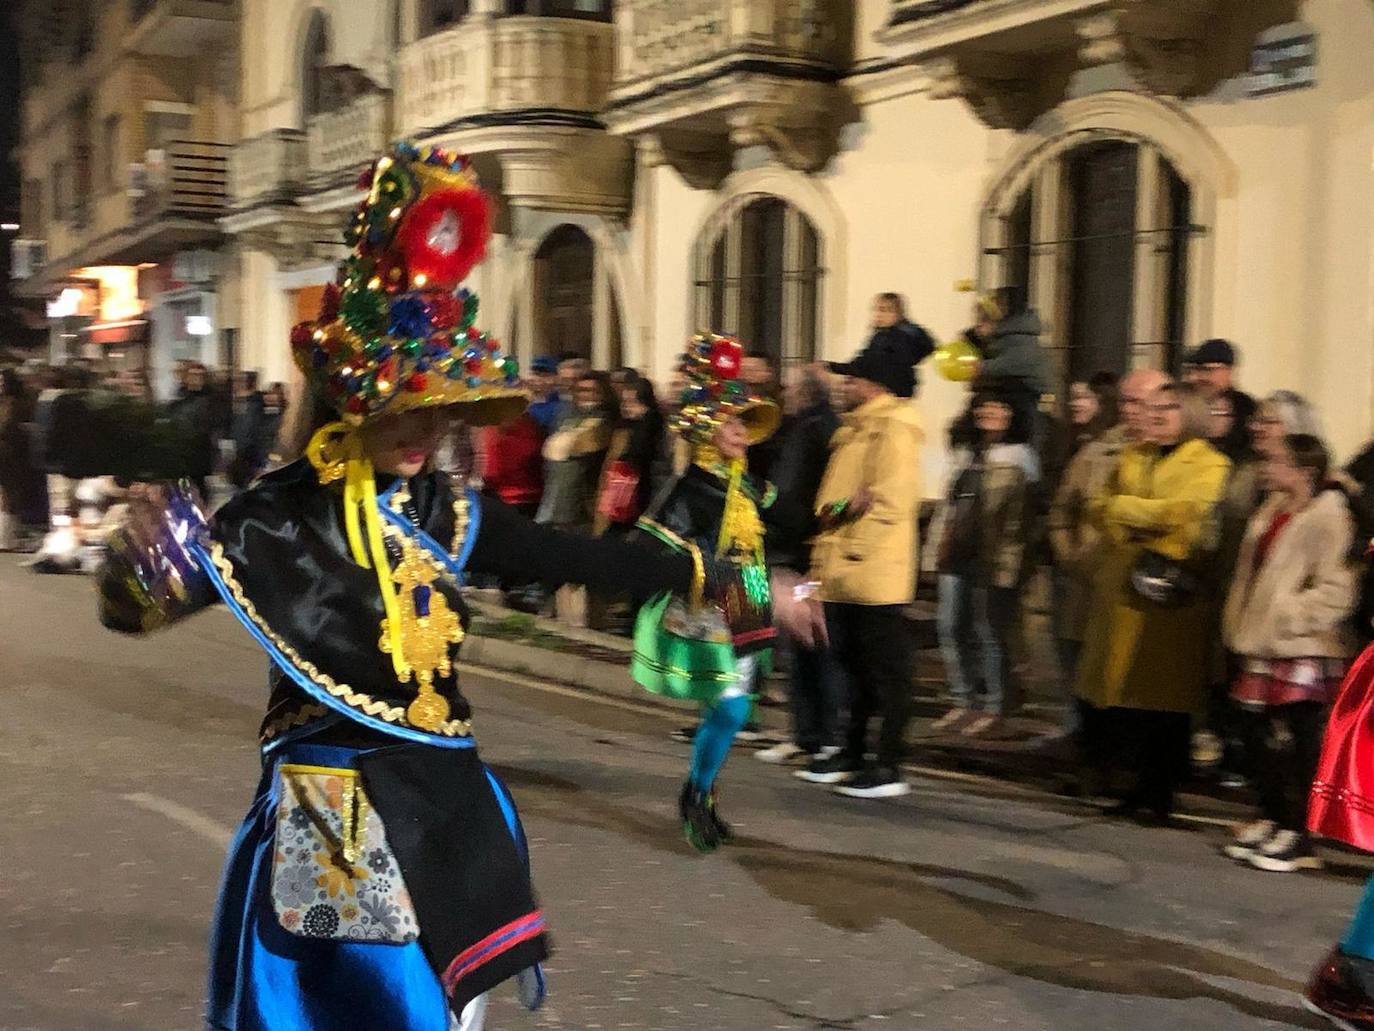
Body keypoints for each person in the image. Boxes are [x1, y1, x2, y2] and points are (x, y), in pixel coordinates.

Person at [95, 143, 821, 1031]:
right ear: (348, 401)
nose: (422, 426)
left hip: (446, 801)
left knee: (455, 1005)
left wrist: (754, 588)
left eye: (437, 403)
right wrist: (134, 564)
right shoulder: (272, 515)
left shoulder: (448, 508)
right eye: (399, 402)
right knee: (361, 1002)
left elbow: (594, 558)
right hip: (333, 804)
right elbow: (138, 609)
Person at [631, 334, 802, 850]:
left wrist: (844, 513)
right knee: (727, 709)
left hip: (748, 596)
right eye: (733, 425)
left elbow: (795, 518)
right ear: (708, 427)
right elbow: (650, 544)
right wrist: (699, 567)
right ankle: (697, 793)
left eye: (745, 426)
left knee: (733, 711)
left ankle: (702, 792)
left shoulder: (747, 483)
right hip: (712, 603)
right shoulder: (689, 487)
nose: (742, 435)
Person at [1075, 380, 1230, 824]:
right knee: (1127, 701)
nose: (1157, 416)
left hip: (1169, 599)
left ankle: (1159, 792)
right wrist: (1140, 515)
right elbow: (1100, 508)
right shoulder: (1134, 455)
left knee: (1165, 706)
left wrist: (1132, 511)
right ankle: (1133, 788)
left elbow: (1187, 515)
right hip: (1125, 591)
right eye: (1155, 407)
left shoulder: (1210, 463)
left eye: (1170, 409)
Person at [1220, 433, 1355, 874]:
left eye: (1276, 461)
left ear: (1304, 472)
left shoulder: (1328, 517)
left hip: (1302, 645)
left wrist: (1290, 615)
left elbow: (1338, 586)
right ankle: (1275, 815)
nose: (1266, 467)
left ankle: (1300, 832)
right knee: (1253, 729)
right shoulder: (1272, 510)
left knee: (1299, 739)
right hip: (1260, 639)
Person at [798, 345, 924, 798]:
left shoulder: (892, 430)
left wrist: (852, 545)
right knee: (853, 669)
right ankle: (852, 753)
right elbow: (829, 506)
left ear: (874, 384)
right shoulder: (855, 431)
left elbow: (890, 502)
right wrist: (841, 514)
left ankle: (888, 765)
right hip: (844, 573)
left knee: (886, 675)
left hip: (874, 575)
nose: (843, 386)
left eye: (851, 379)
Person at [927, 386, 1038, 736]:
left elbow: (1024, 518)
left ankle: (994, 705)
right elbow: (949, 505)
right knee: (949, 625)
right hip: (956, 552)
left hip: (992, 556)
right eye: (984, 408)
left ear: (1012, 414)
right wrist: (936, 546)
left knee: (988, 631)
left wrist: (1012, 563)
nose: (989, 414)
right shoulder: (965, 453)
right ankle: (963, 700)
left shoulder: (1021, 457)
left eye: (999, 408)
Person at [755, 365, 843, 766]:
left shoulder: (818, 430)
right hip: (792, 552)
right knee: (797, 645)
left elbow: (800, 494)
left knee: (814, 645)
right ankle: (805, 733)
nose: (784, 393)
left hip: (806, 557)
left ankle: (824, 734)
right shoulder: (800, 428)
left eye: (789, 388)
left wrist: (784, 528)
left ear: (805, 392)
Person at [1044, 372, 1136, 738]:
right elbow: (1062, 510)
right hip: (1084, 580)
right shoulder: (1094, 452)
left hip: (1128, 585)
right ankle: (1083, 737)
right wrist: (1070, 556)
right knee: (1077, 661)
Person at [594, 375, 662, 537]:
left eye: (633, 402)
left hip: (637, 502)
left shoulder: (651, 429)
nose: (627, 407)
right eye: (625, 402)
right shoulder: (624, 429)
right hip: (620, 502)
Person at [1184, 337, 1257, 435]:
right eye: (1194, 371)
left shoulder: (1246, 409)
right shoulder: (1185, 403)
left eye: (1207, 370)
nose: (1197, 377)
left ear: (1229, 372)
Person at [167, 361, 217, 501]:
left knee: (199, 491)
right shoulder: (180, 397)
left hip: (199, 454)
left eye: (200, 375)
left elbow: (212, 425)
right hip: (181, 453)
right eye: (193, 374)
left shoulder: (210, 397)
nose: (197, 378)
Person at [228, 369, 267, 490]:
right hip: (238, 451)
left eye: (240, 381)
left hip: (250, 452)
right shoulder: (238, 402)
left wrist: (260, 459)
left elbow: (257, 430)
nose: (236, 385)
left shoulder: (256, 404)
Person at [525, 355, 562, 434]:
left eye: (544, 376)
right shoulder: (520, 399)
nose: (537, 379)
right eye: (534, 374)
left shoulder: (558, 407)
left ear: (555, 379)